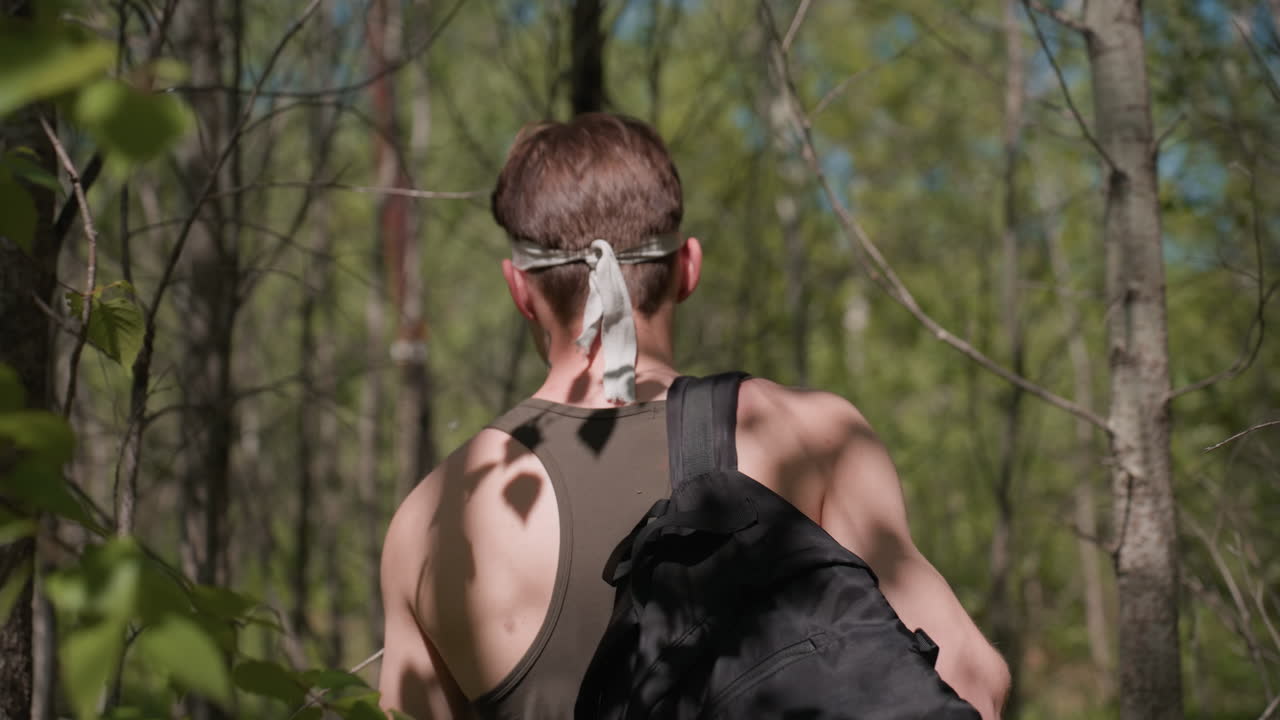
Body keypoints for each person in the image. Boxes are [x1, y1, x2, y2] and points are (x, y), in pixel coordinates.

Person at [377, 113, 1011, 720]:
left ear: (520, 290)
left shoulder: (430, 521)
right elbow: (974, 683)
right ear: (688, 267)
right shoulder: (816, 439)